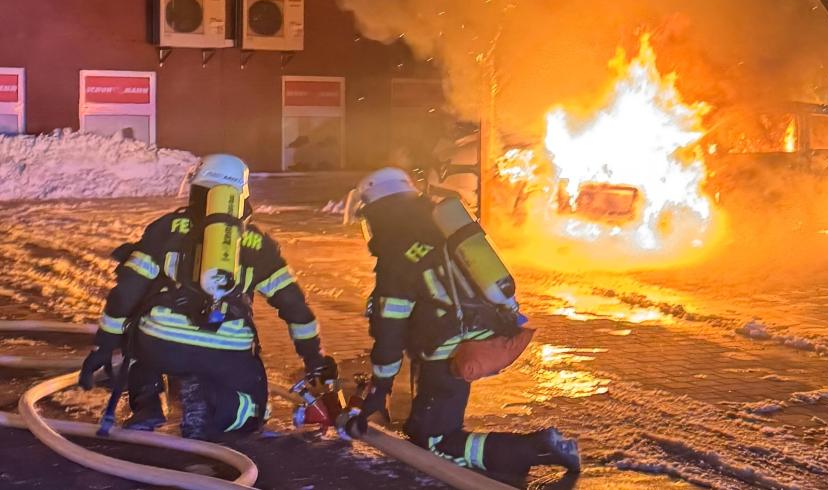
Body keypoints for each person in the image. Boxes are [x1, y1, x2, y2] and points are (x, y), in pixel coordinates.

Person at [79, 154, 335, 440]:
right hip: (226, 351)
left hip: (162, 344)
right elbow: (295, 308)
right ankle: (213, 403)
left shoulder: (166, 228)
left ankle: (148, 405)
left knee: (138, 339)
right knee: (256, 412)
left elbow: (126, 293)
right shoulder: (259, 245)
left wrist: (103, 346)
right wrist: (313, 357)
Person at [349, 167, 580, 478]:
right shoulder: (436, 226)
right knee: (421, 427)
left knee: (436, 440)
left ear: (378, 209)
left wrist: (381, 386)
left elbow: (389, 330)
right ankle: (530, 450)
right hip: (476, 331)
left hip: (449, 349)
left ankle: (540, 448)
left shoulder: (396, 252)